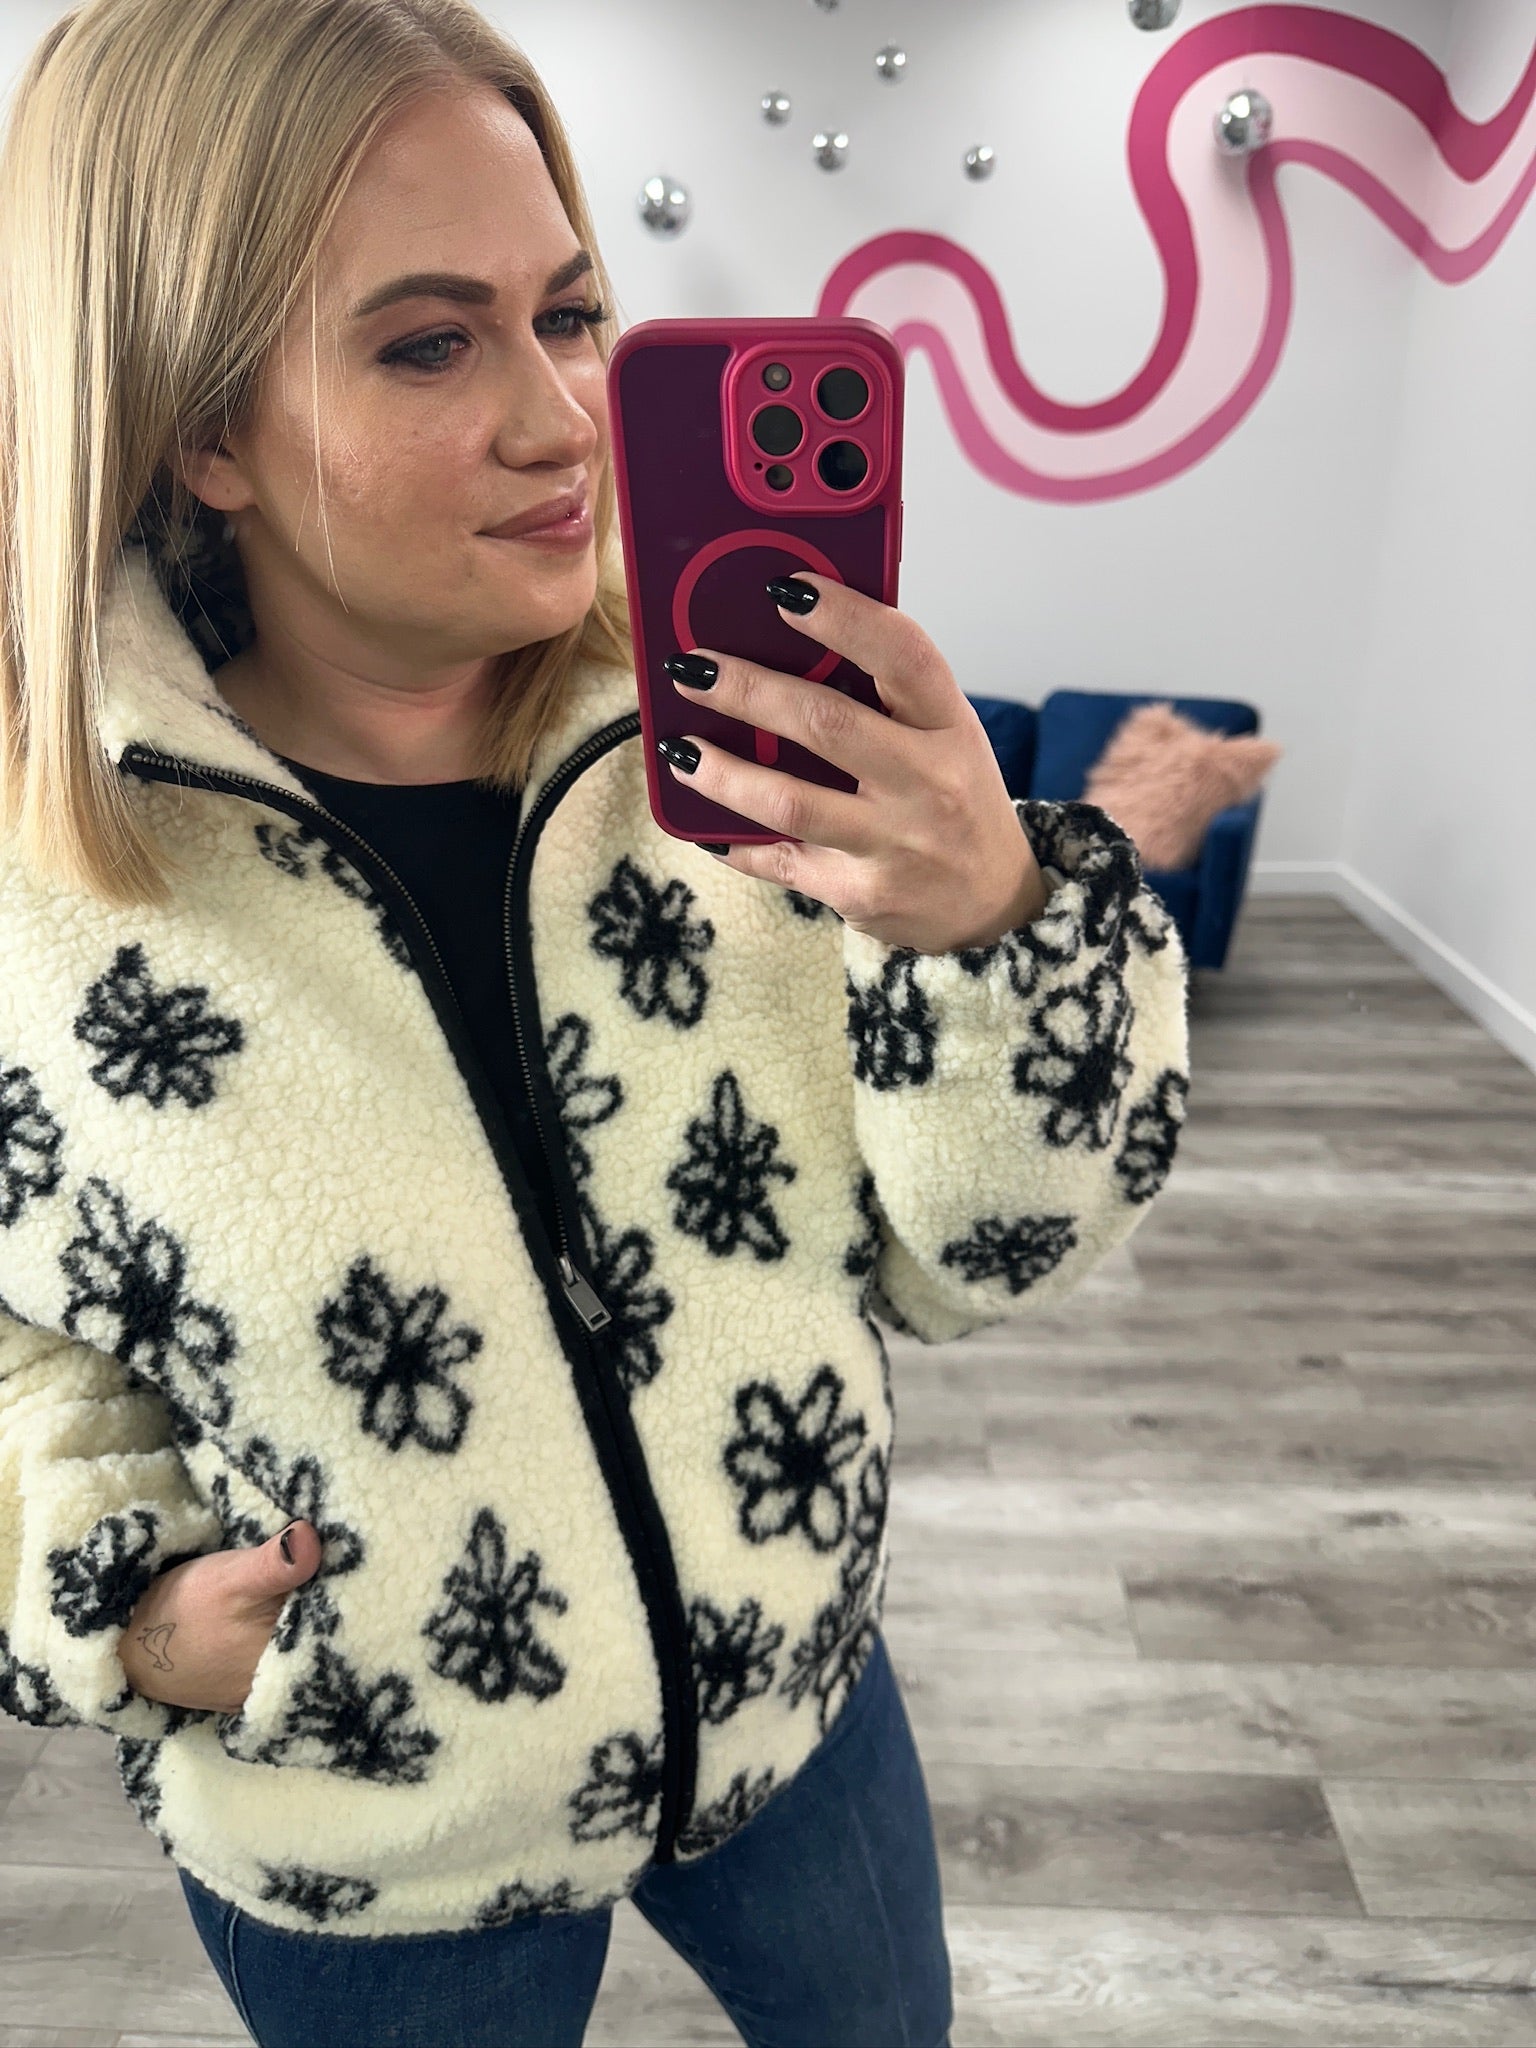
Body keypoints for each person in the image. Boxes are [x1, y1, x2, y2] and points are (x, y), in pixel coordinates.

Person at [0, 4, 1191, 2044]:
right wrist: (114, 1590)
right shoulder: (51, 887)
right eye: (429, 343)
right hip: (374, 1815)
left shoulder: (747, 759)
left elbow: (980, 1258)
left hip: (797, 1710)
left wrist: (995, 933)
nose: (565, 419)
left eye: (568, 314)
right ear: (201, 429)